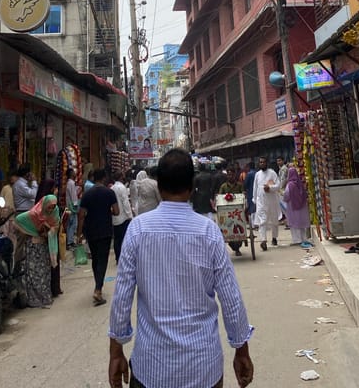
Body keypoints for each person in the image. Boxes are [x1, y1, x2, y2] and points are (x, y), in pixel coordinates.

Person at [108, 149, 254, 388]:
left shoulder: (138, 229)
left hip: (151, 368)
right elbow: (231, 297)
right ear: (192, 185)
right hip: (203, 368)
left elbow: (122, 295)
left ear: (159, 185)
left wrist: (116, 351)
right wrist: (241, 349)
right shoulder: (208, 231)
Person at [77, 167, 119, 306]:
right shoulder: (109, 193)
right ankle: (98, 289)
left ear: (93, 178)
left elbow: (81, 215)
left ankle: (98, 285)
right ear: (104, 178)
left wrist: (79, 234)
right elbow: (116, 211)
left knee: (95, 259)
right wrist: (107, 211)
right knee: (103, 259)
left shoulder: (87, 194)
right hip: (105, 230)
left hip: (91, 230)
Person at [14, 194, 60, 308]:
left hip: (45, 247)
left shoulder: (55, 213)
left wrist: (49, 231)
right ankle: (34, 299)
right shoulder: (34, 214)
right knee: (33, 273)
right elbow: (19, 220)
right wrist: (31, 231)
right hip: (33, 247)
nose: (51, 209)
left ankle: (45, 297)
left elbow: (56, 226)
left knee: (44, 273)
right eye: (49, 207)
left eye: (53, 207)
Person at [35, 179, 67, 297]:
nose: (56, 190)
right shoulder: (51, 204)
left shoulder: (38, 204)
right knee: (52, 262)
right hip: (49, 237)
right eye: (54, 188)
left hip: (44, 237)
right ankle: (53, 288)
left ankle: (49, 288)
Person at [252, 157, 280, 251]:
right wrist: (254, 199)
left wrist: (270, 188)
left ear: (266, 163)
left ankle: (274, 237)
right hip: (261, 201)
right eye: (260, 162)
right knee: (262, 221)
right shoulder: (257, 174)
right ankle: (263, 240)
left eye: (264, 162)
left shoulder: (272, 173)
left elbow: (278, 185)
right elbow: (255, 188)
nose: (262, 163)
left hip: (272, 201)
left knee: (274, 220)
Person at [219, 167, 245, 257]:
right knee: (228, 230)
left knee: (239, 229)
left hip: (238, 212)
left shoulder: (239, 185)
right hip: (226, 212)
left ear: (235, 175)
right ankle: (234, 247)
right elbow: (220, 197)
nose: (230, 176)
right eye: (228, 174)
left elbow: (243, 195)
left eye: (232, 174)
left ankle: (237, 248)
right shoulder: (223, 186)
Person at [283, 167, 312, 248]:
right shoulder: (300, 183)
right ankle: (303, 239)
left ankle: (297, 240)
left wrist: (284, 198)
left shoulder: (290, 185)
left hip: (293, 207)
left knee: (294, 223)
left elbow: (286, 195)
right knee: (301, 224)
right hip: (302, 207)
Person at [111, 171, 133, 264]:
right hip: (123, 217)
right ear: (120, 177)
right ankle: (123, 257)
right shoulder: (122, 187)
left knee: (117, 239)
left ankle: (118, 257)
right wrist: (130, 216)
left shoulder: (112, 188)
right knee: (124, 238)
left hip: (115, 218)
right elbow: (125, 203)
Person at [65, 168, 79, 248]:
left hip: (69, 206)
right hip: (72, 207)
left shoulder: (70, 183)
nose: (75, 173)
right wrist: (76, 205)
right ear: (71, 173)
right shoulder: (71, 183)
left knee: (70, 224)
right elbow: (73, 196)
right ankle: (70, 242)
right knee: (73, 224)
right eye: (73, 172)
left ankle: (69, 241)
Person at [242, 163, 256, 227]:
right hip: (257, 193)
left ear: (249, 167)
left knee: (251, 208)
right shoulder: (257, 173)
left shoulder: (249, 174)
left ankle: (253, 224)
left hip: (250, 193)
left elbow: (245, 184)